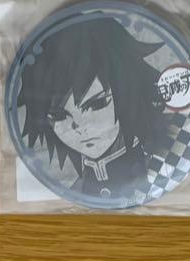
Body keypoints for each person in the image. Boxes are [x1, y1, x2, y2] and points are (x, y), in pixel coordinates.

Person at [16, 16, 169, 200]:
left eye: (97, 104)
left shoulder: (163, 162)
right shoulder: (74, 190)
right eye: (58, 116)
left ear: (127, 91)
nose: (80, 127)